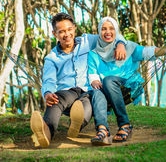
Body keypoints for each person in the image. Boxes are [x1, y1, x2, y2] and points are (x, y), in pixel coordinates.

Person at [30, 13, 126, 148]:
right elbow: (49, 80)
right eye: (61, 31)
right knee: (56, 99)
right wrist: (48, 93)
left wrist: (120, 44)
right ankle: (46, 131)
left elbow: (110, 34)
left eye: (69, 29)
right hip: (67, 92)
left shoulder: (87, 41)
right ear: (54, 33)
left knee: (84, 106)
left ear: (74, 28)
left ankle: (76, 125)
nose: (67, 34)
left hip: (89, 92)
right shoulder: (51, 58)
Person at [88, 16, 166, 145]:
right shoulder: (94, 53)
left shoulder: (128, 47)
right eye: (104, 29)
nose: (107, 32)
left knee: (108, 80)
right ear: (99, 31)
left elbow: (148, 51)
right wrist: (94, 81)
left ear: (116, 31)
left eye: (111, 28)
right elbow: (92, 73)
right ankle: (102, 130)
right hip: (107, 89)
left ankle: (125, 125)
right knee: (97, 92)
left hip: (127, 84)